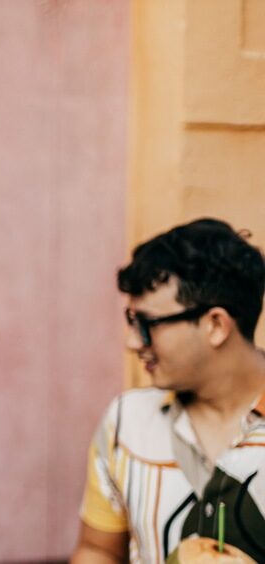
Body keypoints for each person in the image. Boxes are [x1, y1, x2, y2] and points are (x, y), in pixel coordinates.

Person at [71, 219, 265, 563]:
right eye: (131, 321)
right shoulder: (125, 422)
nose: (132, 342)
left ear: (215, 325)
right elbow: (97, 549)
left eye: (147, 325)